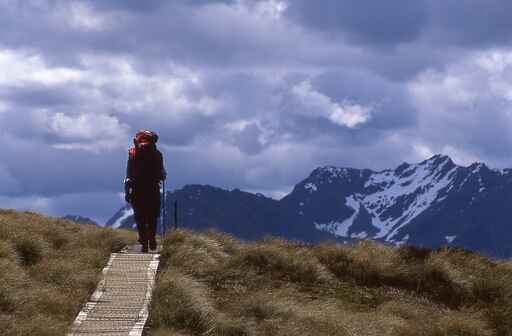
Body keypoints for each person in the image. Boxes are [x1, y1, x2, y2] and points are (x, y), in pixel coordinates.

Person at [124, 130, 166, 252]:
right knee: (152, 216)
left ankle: (144, 242)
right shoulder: (157, 154)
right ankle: (152, 238)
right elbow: (161, 173)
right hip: (153, 188)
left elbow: (129, 174)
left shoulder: (133, 154)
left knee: (140, 217)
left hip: (137, 189)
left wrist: (127, 191)